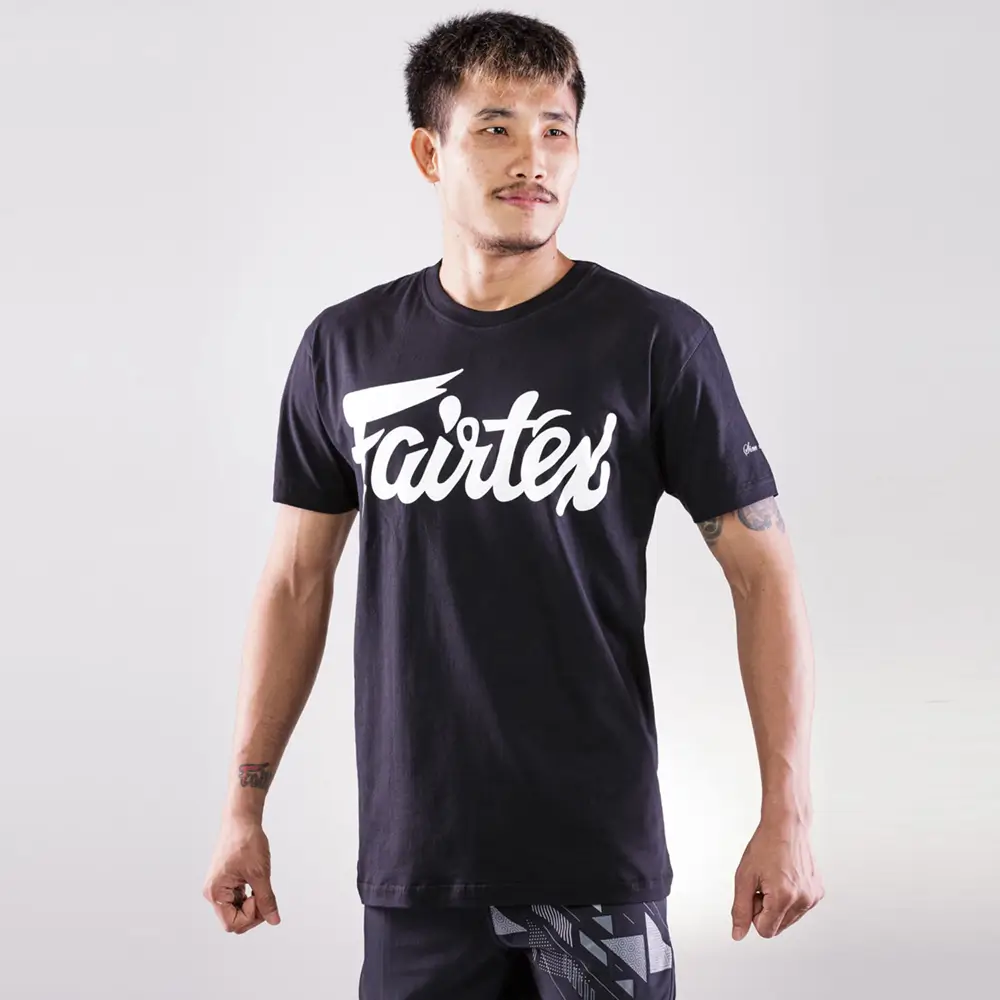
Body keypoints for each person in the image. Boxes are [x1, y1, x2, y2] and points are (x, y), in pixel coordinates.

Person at [202, 10, 824, 998]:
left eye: (556, 129)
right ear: (429, 151)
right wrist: (244, 807)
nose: (533, 158)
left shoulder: (656, 342)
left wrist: (785, 813)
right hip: (417, 866)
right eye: (495, 126)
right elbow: (293, 583)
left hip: (597, 864)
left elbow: (764, 574)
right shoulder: (346, 349)